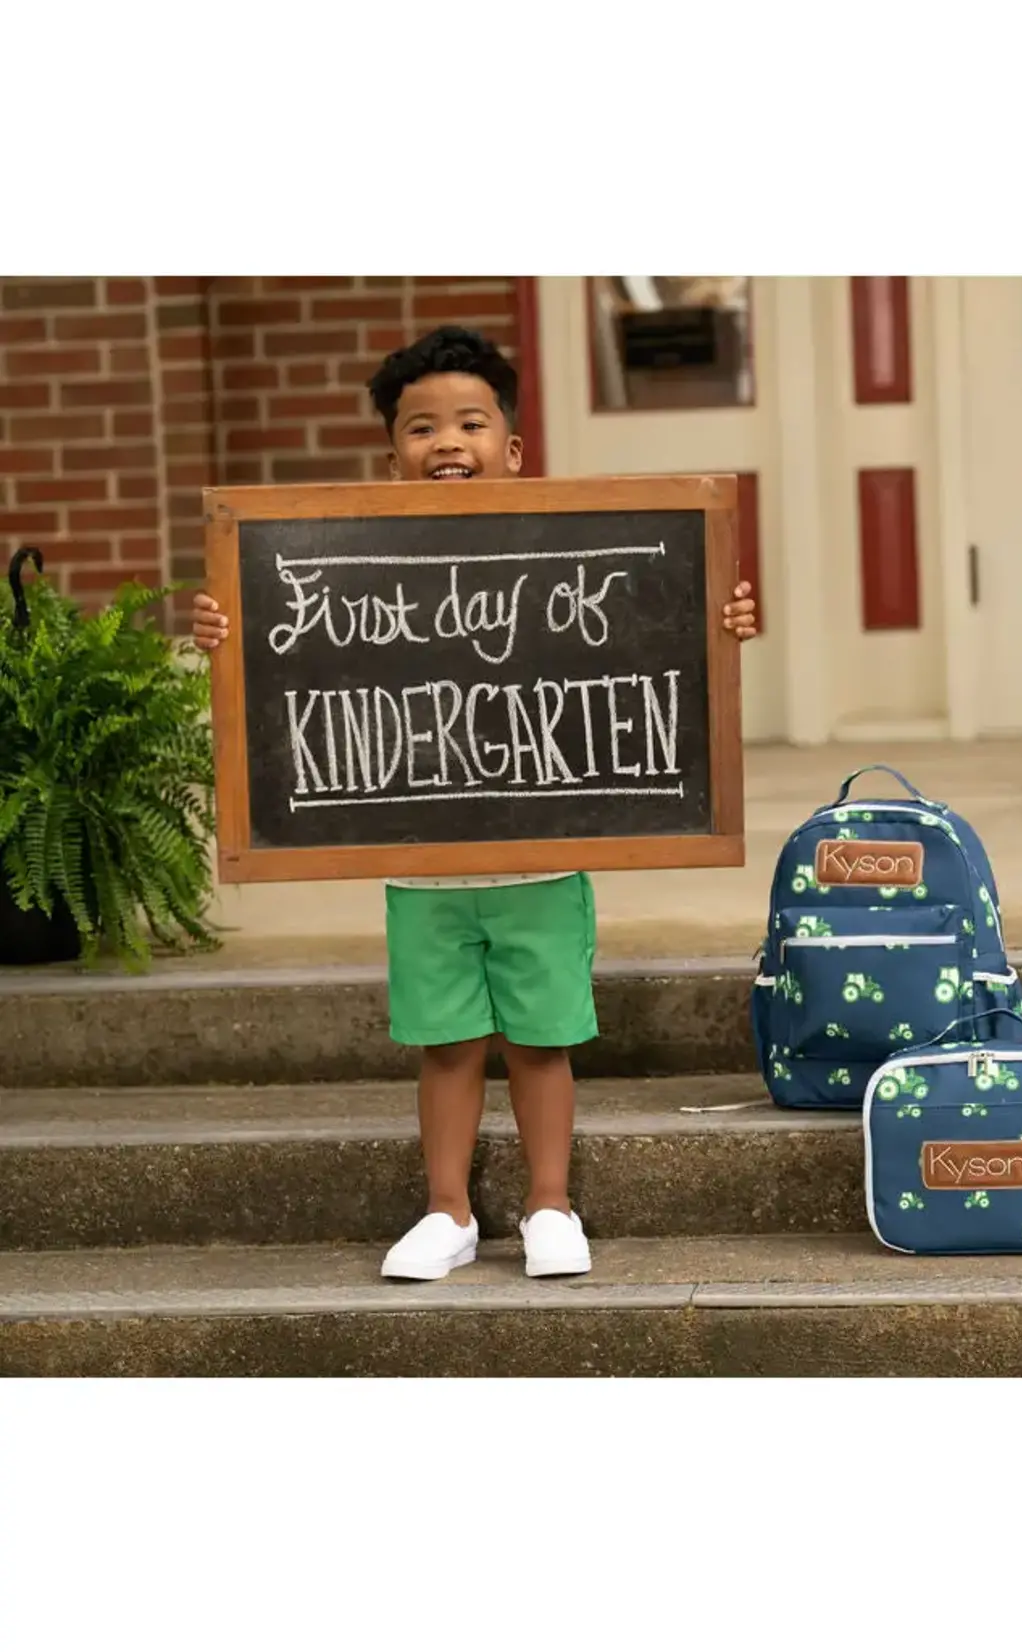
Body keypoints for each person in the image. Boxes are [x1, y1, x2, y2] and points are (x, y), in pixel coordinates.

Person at [192, 325, 758, 1281]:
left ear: (513, 448)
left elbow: (666, 633)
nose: (446, 442)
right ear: (392, 456)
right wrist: (225, 622)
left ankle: (549, 1205)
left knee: (541, 1043)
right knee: (446, 1043)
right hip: (423, 859)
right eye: (421, 428)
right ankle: (448, 1211)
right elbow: (283, 655)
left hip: (544, 854)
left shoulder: (569, 548)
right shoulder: (348, 557)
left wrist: (728, 616)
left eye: (469, 422)